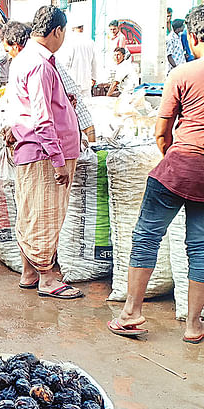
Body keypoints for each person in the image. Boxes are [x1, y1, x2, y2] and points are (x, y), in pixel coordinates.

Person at [108, 5, 204, 342]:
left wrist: (171, 158)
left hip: (180, 165)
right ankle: (194, 325)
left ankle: (131, 313)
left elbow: (161, 133)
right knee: (201, 247)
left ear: (193, 38)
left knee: (147, 235)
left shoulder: (182, 75)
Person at [8, 6, 83, 299]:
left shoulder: (24, 59)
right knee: (45, 215)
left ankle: (30, 272)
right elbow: (41, 118)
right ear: (57, 31)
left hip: (32, 149)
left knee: (31, 212)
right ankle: (48, 279)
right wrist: (58, 159)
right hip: (43, 152)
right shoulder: (39, 64)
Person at [4, 21, 96, 144]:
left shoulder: (40, 64)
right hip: (52, 139)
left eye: (7, 50)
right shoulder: (36, 62)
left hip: (53, 142)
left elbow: (42, 116)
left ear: (16, 46)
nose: (9, 55)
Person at [56, 23, 98, 98]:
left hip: (72, 82)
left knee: (74, 106)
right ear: (82, 28)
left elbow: (65, 63)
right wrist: (94, 77)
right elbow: (94, 62)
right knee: (87, 106)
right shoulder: (90, 42)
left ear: (72, 29)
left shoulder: (69, 42)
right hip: (86, 82)